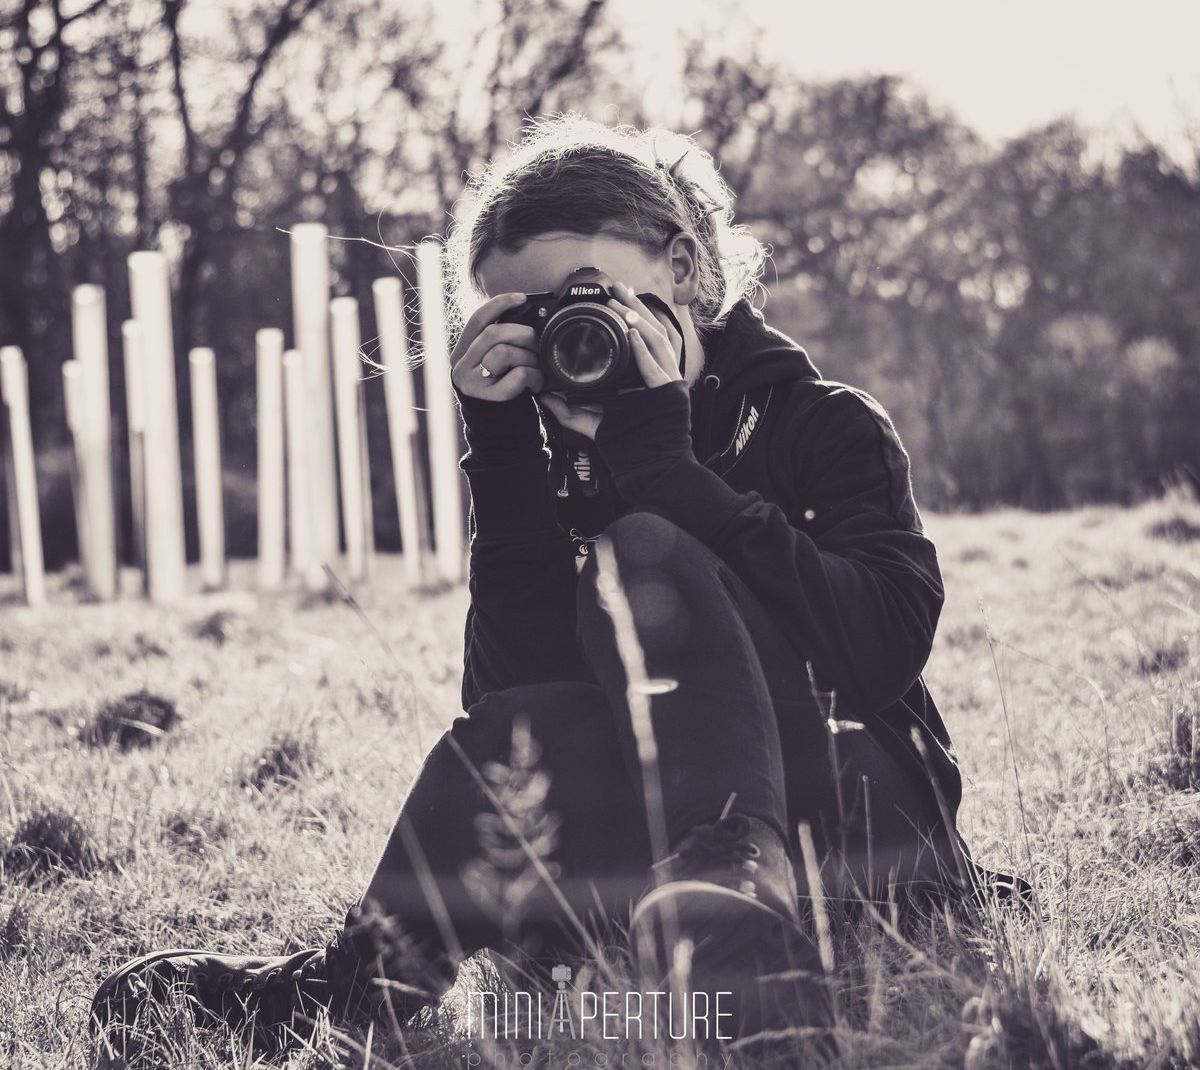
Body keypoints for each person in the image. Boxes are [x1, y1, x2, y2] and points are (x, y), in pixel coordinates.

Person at [91, 116, 1022, 1064]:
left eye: (596, 299)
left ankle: (734, 897)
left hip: (865, 823)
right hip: (658, 843)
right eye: (534, 319)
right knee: (500, 739)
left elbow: (880, 655)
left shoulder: (823, 424)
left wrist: (669, 476)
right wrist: (503, 465)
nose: (579, 337)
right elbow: (511, 706)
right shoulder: (553, 455)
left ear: (686, 269)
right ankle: (356, 987)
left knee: (646, 549)